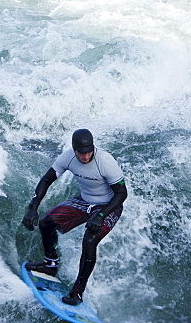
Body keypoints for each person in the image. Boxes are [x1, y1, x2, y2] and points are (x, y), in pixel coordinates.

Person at [22, 128, 127, 305]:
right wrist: (33, 207)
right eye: (81, 153)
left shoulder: (106, 161)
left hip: (109, 206)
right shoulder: (68, 157)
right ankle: (50, 265)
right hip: (84, 201)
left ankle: (77, 292)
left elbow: (121, 194)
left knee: (90, 239)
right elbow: (47, 180)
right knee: (46, 223)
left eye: (88, 152)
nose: (85, 157)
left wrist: (101, 215)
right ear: (74, 149)